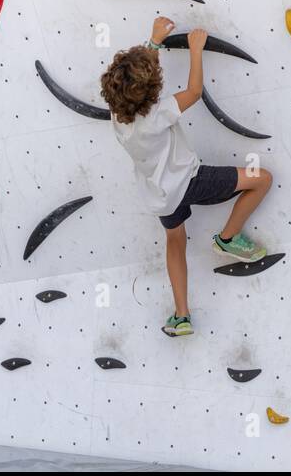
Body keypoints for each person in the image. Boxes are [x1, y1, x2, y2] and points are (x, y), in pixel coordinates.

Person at [101, 18, 273, 337]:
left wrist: (153, 42)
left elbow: (134, 87)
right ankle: (228, 238)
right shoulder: (158, 114)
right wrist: (196, 49)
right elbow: (194, 91)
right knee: (261, 179)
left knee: (175, 241)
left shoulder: (118, 118)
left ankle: (182, 316)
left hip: (160, 196)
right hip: (192, 181)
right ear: (150, 93)